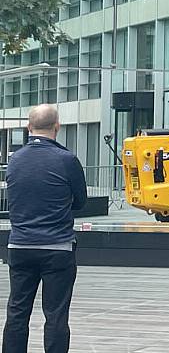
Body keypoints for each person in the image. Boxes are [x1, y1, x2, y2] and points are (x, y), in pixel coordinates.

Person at [2, 104, 87, 353]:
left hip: (20, 245)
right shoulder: (67, 159)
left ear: (29, 127)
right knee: (56, 314)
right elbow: (81, 201)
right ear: (57, 127)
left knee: (17, 310)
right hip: (57, 247)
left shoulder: (14, 160)